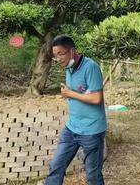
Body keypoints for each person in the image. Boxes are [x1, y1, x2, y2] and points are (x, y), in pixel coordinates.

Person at [45, 35, 106, 185]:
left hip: (92, 131)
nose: (58, 59)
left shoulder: (90, 67)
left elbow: (97, 98)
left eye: (61, 54)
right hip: (72, 128)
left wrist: (70, 94)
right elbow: (78, 94)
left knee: (92, 175)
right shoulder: (68, 68)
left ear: (72, 51)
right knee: (56, 166)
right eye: (55, 56)